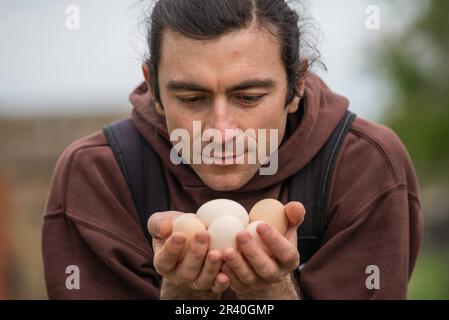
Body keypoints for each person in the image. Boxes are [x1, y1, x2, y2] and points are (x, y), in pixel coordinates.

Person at [42, 0, 423, 300]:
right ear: (154, 87)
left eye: (249, 97)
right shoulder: (97, 175)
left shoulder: (365, 165)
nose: (220, 132)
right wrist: (181, 297)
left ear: (297, 85)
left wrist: (269, 293)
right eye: (191, 98)